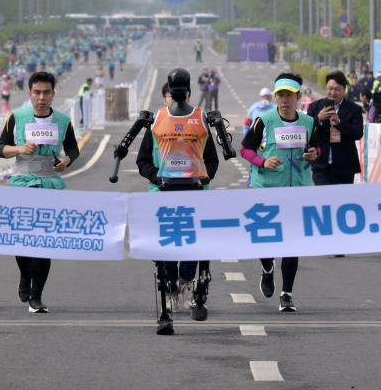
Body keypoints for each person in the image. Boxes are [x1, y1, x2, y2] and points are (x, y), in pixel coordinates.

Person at [134, 69, 220, 334]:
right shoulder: (157, 124)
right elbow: (142, 161)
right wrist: (156, 178)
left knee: (191, 248)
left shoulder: (199, 121)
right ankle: (170, 290)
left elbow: (212, 160)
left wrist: (203, 178)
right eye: (171, 94)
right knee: (168, 250)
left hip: (195, 195)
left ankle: (186, 282)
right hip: (163, 195)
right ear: (167, 95)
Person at [0, 71, 80, 314]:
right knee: (21, 239)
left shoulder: (63, 121)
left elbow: (73, 149)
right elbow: (0, 148)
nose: (41, 98)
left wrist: (66, 161)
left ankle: (37, 296)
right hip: (22, 183)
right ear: (30, 93)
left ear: (53, 94)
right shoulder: (17, 117)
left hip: (49, 184)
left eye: (46, 93)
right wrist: (19, 148)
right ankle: (25, 274)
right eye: (37, 92)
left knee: (44, 241)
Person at [241, 72, 319, 312]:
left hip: (297, 191)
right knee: (265, 240)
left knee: (292, 244)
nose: (284, 100)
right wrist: (263, 161)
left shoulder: (309, 122)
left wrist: (314, 154)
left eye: (289, 95)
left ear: (298, 96)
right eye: (280, 95)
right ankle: (267, 268)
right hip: (266, 189)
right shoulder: (264, 121)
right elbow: (245, 149)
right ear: (275, 97)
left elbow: (316, 149)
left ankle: (287, 294)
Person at [307, 71, 365, 186]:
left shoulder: (354, 109)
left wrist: (339, 122)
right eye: (330, 89)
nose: (333, 93)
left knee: (343, 195)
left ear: (344, 90)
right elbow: (306, 131)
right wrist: (318, 119)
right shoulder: (315, 107)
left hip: (345, 166)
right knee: (323, 194)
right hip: (321, 165)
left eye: (337, 89)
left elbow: (358, 133)